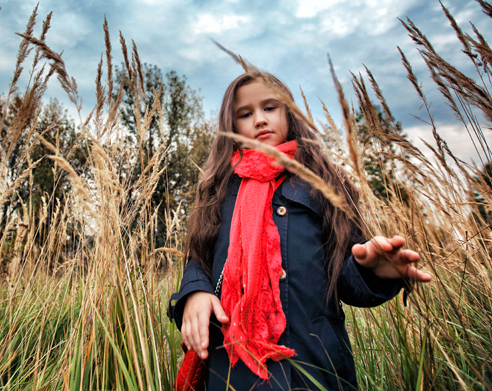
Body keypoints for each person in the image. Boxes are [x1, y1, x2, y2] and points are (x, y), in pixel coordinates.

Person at [167, 72, 432, 391]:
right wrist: (195, 292)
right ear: (232, 126)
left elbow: (345, 281)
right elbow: (199, 258)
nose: (260, 119)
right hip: (234, 374)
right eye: (246, 114)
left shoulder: (325, 183)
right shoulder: (219, 191)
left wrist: (372, 271)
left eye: (270, 107)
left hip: (315, 367)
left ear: (289, 112)